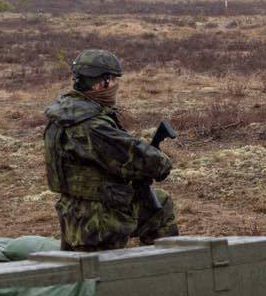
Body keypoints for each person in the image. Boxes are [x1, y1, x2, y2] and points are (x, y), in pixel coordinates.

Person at [43, 49, 178, 251]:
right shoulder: (92, 125)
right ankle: (167, 267)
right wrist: (160, 161)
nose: (115, 86)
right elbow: (148, 161)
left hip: (73, 212)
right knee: (159, 209)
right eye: (114, 80)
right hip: (99, 219)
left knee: (159, 202)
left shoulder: (64, 114)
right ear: (103, 82)